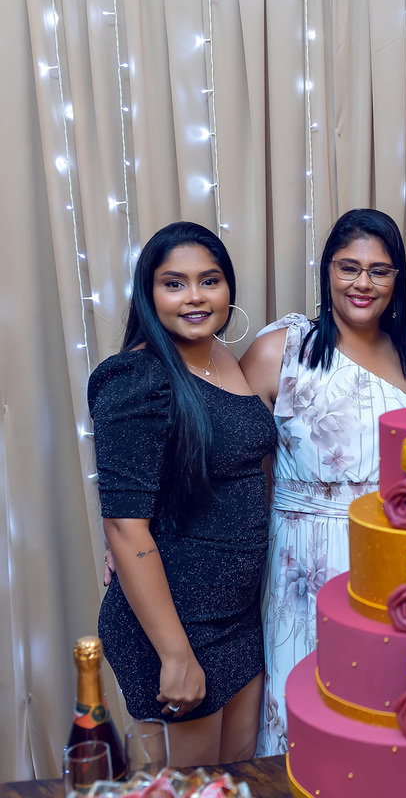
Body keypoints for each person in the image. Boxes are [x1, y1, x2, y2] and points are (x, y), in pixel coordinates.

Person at [90, 221, 276, 765]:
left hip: (237, 616)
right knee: (191, 790)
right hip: (176, 625)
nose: (195, 297)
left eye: (209, 281)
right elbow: (124, 524)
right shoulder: (135, 377)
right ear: (149, 294)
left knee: (238, 781)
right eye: (174, 284)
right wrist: (175, 655)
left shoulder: (222, 358)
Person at [239, 208, 406, 755]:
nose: (363, 283)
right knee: (304, 703)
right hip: (302, 557)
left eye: (379, 270)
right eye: (349, 267)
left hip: (390, 556)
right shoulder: (283, 349)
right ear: (327, 272)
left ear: (396, 280)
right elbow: (233, 460)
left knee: (380, 710)